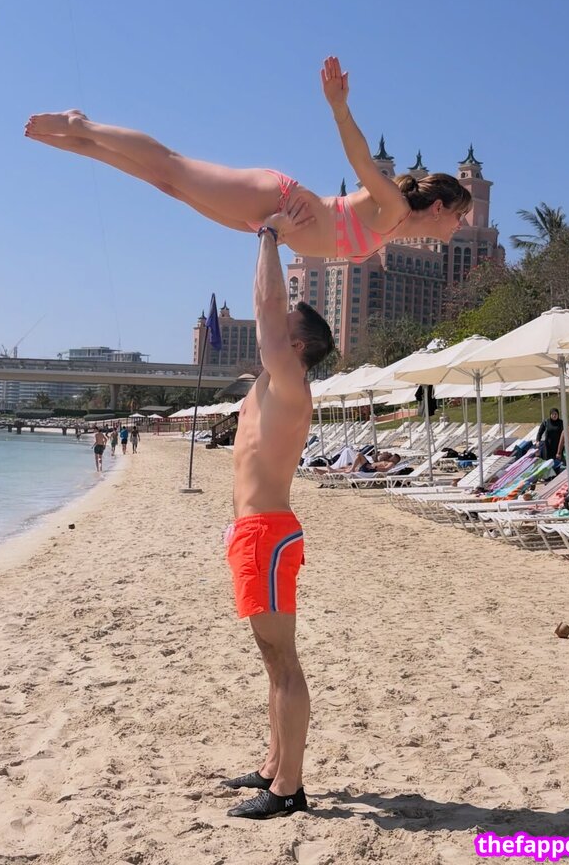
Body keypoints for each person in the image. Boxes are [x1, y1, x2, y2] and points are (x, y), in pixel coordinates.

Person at [24, 57, 471, 264]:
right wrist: (339, 108)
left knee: (168, 185)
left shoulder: (390, 232)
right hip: (276, 199)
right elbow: (362, 164)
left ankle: (81, 145)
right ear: (438, 207)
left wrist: (289, 234)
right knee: (172, 166)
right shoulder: (394, 207)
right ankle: (83, 125)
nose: (459, 225)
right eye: (459, 215)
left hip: (272, 225)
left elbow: (335, 238)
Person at [221, 208, 335, 820]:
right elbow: (268, 315)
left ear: (296, 347)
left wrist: (268, 237)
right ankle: (273, 764)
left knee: (284, 663)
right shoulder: (268, 383)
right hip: (252, 532)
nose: (270, 328)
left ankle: (289, 787)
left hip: (267, 535)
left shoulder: (290, 381)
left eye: (281, 328)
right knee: (272, 661)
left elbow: (267, 307)